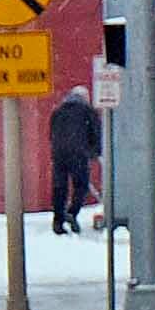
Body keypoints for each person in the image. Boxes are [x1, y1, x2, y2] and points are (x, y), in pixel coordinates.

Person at [48, 86, 103, 234]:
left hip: (59, 153)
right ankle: (72, 212)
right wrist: (95, 152)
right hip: (79, 153)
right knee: (81, 185)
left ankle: (58, 221)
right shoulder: (88, 111)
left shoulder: (58, 111)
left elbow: (51, 133)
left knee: (59, 187)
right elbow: (96, 132)